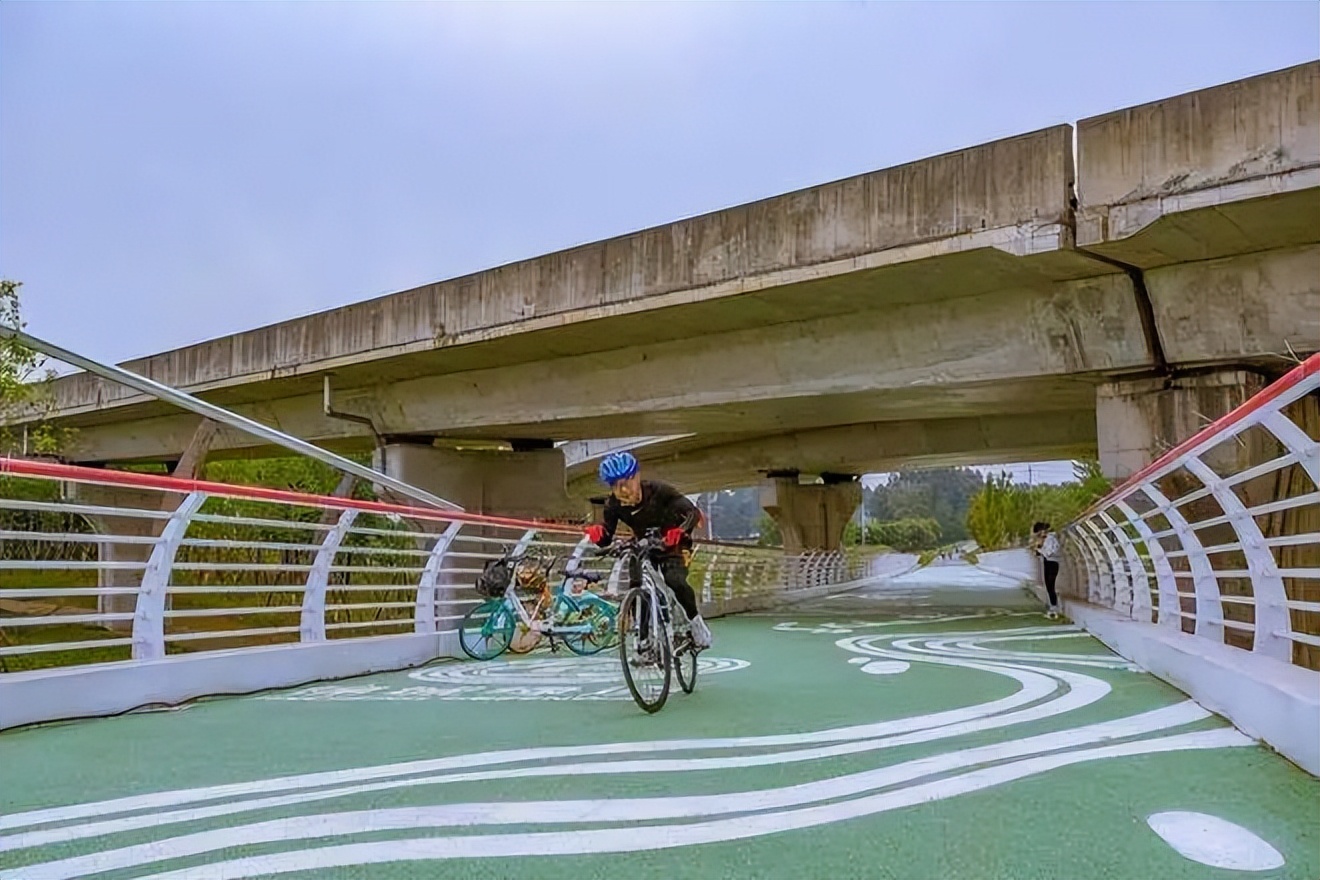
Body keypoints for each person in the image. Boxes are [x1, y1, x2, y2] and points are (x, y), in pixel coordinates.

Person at [585, 451, 713, 649]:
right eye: (615, 485)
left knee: (674, 580)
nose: (623, 489)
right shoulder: (613, 505)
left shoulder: (660, 492)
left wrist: (680, 531)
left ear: (637, 476)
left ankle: (696, 623)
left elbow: (692, 513)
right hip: (644, 544)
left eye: (627, 481)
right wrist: (598, 535)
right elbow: (606, 537)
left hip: (673, 543)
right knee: (636, 586)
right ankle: (643, 641)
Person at [1032, 521, 1062, 619]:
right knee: (1048, 585)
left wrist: (1039, 549)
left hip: (1052, 562)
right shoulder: (1045, 540)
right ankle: (1052, 606)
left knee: (1051, 583)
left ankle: (1054, 607)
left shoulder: (1051, 539)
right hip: (1047, 562)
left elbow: (1049, 552)